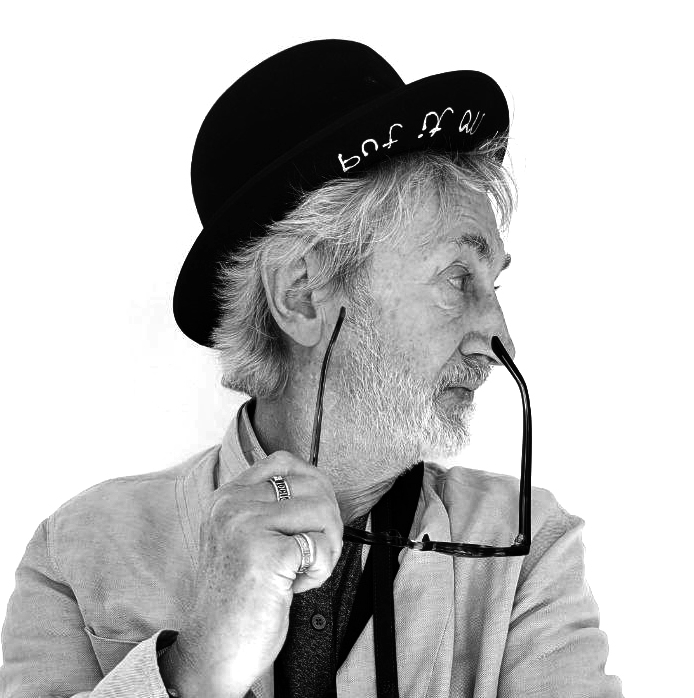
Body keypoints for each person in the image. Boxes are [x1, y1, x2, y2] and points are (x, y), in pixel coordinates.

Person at [0, 39, 623, 698]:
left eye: (492, 285)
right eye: (457, 277)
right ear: (302, 295)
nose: (501, 340)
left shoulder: (529, 553)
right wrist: (196, 668)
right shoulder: (80, 552)